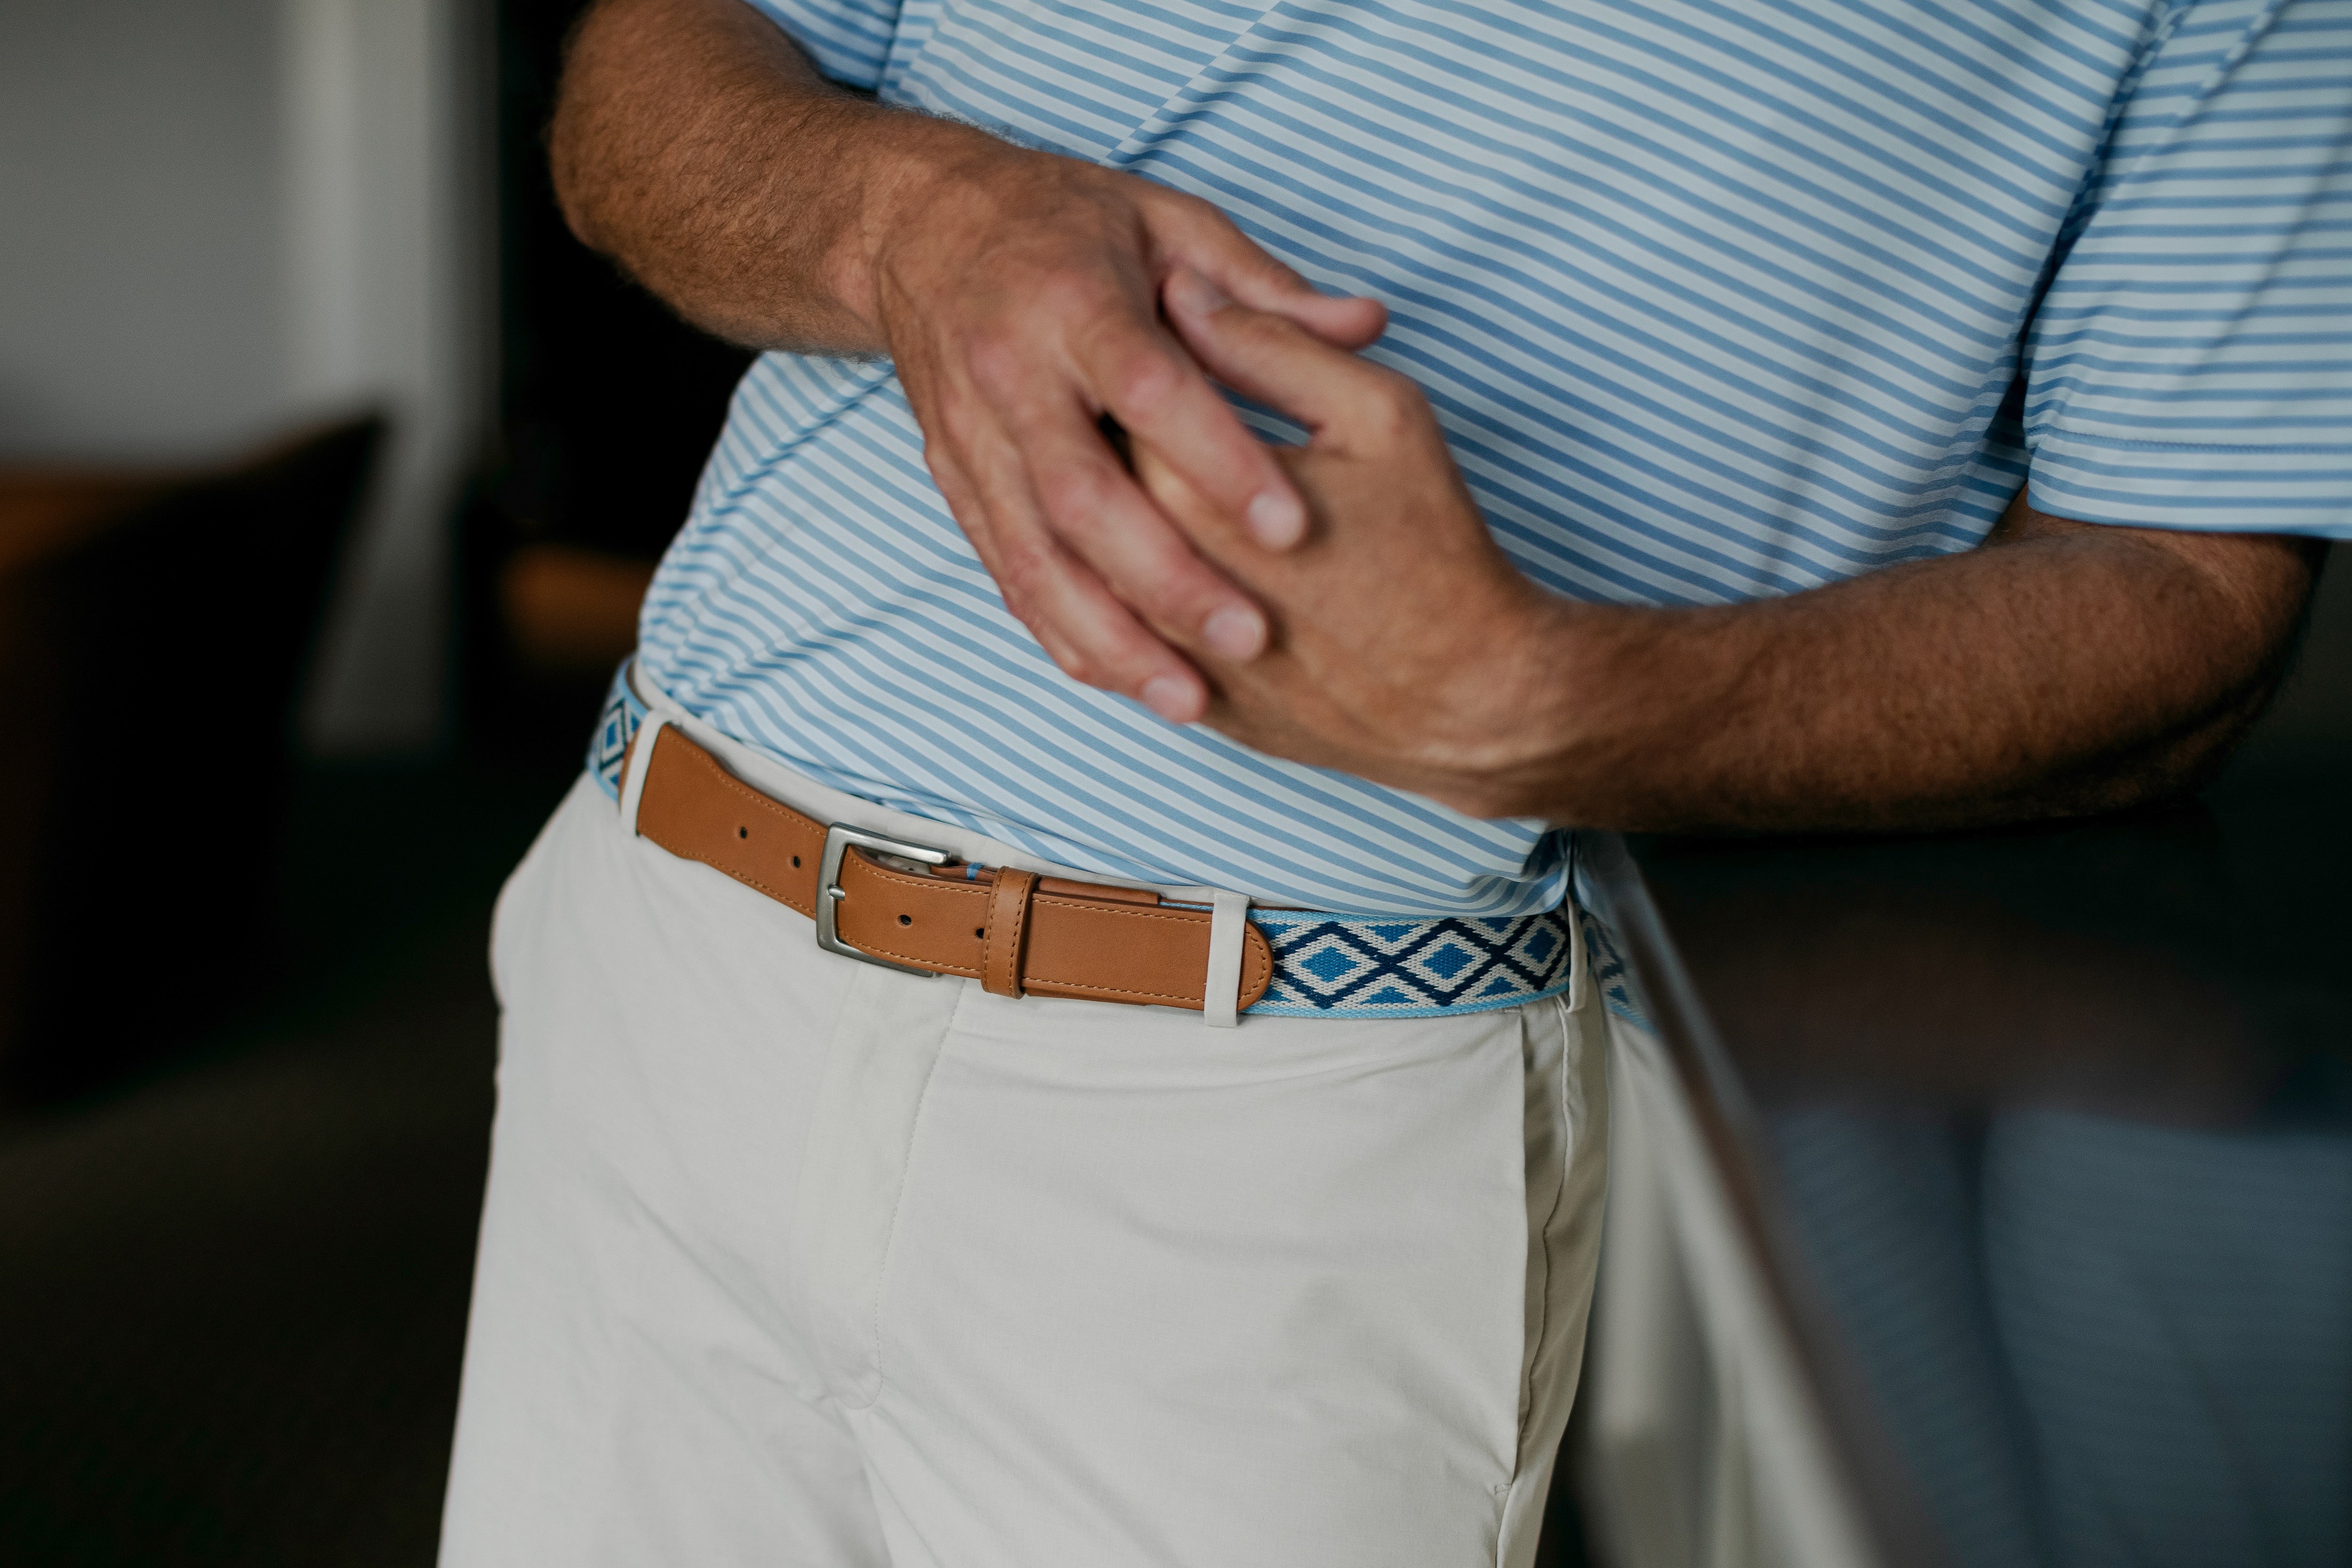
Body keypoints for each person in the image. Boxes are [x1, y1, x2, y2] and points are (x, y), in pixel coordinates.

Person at [438, 1, 2350, 1564]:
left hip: (1273, 1125)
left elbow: (2185, 601)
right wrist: (911, 217)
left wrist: (1558, 699)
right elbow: (649, 79)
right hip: (663, 931)